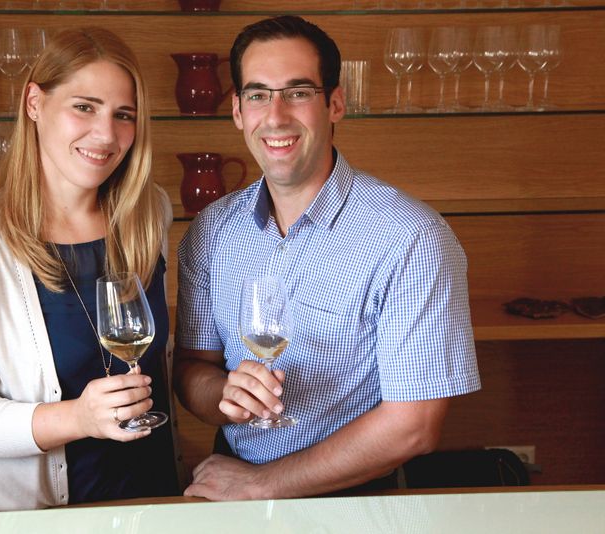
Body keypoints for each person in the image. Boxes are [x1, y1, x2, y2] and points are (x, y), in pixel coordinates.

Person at [173, 15, 481, 501]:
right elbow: (192, 366)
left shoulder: (410, 237)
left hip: (353, 497)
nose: (275, 116)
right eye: (257, 94)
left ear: (335, 102)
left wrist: (263, 485)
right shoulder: (211, 231)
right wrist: (223, 396)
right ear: (236, 110)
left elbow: (415, 427)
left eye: (297, 92)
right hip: (230, 482)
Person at [0, 27, 179, 511]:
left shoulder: (148, 214)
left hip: (149, 502)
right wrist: (78, 418)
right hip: (32, 518)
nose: (106, 134)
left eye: (124, 115)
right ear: (34, 102)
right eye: (84, 106)